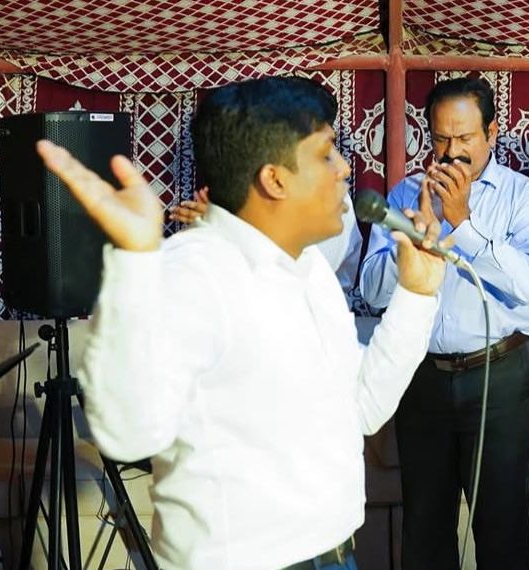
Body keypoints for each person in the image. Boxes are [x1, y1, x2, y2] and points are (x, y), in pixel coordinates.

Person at [35, 77, 449, 570]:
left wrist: (417, 295)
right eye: (326, 154)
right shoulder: (194, 272)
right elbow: (129, 434)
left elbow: (363, 407)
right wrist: (135, 261)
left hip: (335, 555)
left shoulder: (311, 269)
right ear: (274, 179)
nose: (344, 169)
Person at [359, 77, 529, 570]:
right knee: (424, 525)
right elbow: (372, 292)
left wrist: (463, 222)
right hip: (421, 378)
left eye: (464, 138)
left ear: (492, 132)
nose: (451, 153)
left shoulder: (525, 198)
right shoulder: (405, 194)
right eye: (440, 138)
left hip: (497, 375)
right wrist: (412, 244)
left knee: (502, 524)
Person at [170, 183, 364, 295]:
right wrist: (211, 228)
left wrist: (228, 227)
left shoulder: (329, 197)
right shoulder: (243, 189)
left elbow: (290, 282)